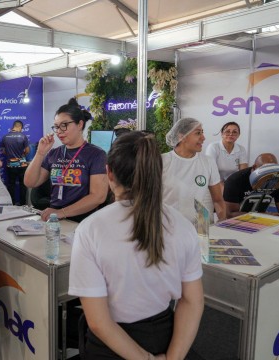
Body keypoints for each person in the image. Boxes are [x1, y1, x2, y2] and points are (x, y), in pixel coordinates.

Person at [69, 131, 204, 359]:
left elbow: (99, 322)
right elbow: (193, 300)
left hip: (110, 346)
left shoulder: (91, 229)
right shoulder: (182, 225)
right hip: (165, 337)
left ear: (109, 172)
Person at [24, 98, 108, 223]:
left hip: (82, 221)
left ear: (80, 124)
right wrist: (40, 153)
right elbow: (30, 182)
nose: (59, 131)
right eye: (56, 127)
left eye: (64, 125)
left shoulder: (96, 154)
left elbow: (98, 196)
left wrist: (61, 213)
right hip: (54, 219)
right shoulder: (54, 153)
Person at [162, 117, 227, 223]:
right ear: (182, 137)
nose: (203, 138)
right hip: (169, 225)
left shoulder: (208, 162)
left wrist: (222, 220)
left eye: (202, 132)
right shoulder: (162, 161)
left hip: (200, 226)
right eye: (198, 133)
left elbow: (218, 200)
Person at [224, 153, 279, 217]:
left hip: (262, 219)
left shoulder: (277, 180)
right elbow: (230, 214)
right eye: (266, 171)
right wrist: (265, 215)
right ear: (254, 167)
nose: (269, 177)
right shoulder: (235, 181)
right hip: (238, 221)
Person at [0, 120, 30, 205]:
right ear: (20, 127)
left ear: (13, 126)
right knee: (23, 185)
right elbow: (27, 150)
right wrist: (22, 155)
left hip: (10, 164)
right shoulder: (23, 136)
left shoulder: (5, 137)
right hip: (22, 164)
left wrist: (10, 155)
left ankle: (11, 204)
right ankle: (23, 204)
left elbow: (3, 151)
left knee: (11, 185)